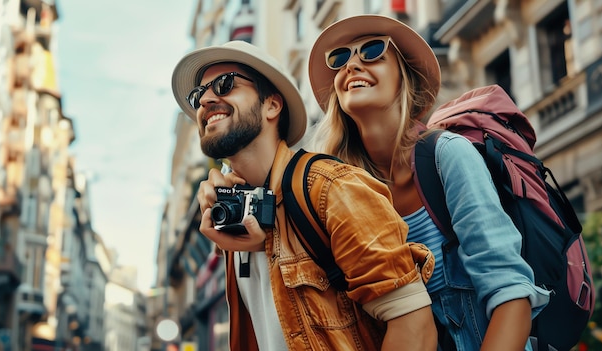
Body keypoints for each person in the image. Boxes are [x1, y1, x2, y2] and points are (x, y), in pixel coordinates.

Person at [171, 40, 438, 351]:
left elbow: (415, 328)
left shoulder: (332, 188)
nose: (205, 100)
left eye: (224, 84)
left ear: (272, 105)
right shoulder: (231, 216)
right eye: (197, 95)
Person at [307, 15, 551, 351]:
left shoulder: (447, 156)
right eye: (340, 58)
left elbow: (511, 296)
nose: (352, 65)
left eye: (372, 51)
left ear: (403, 78)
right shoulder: (336, 190)